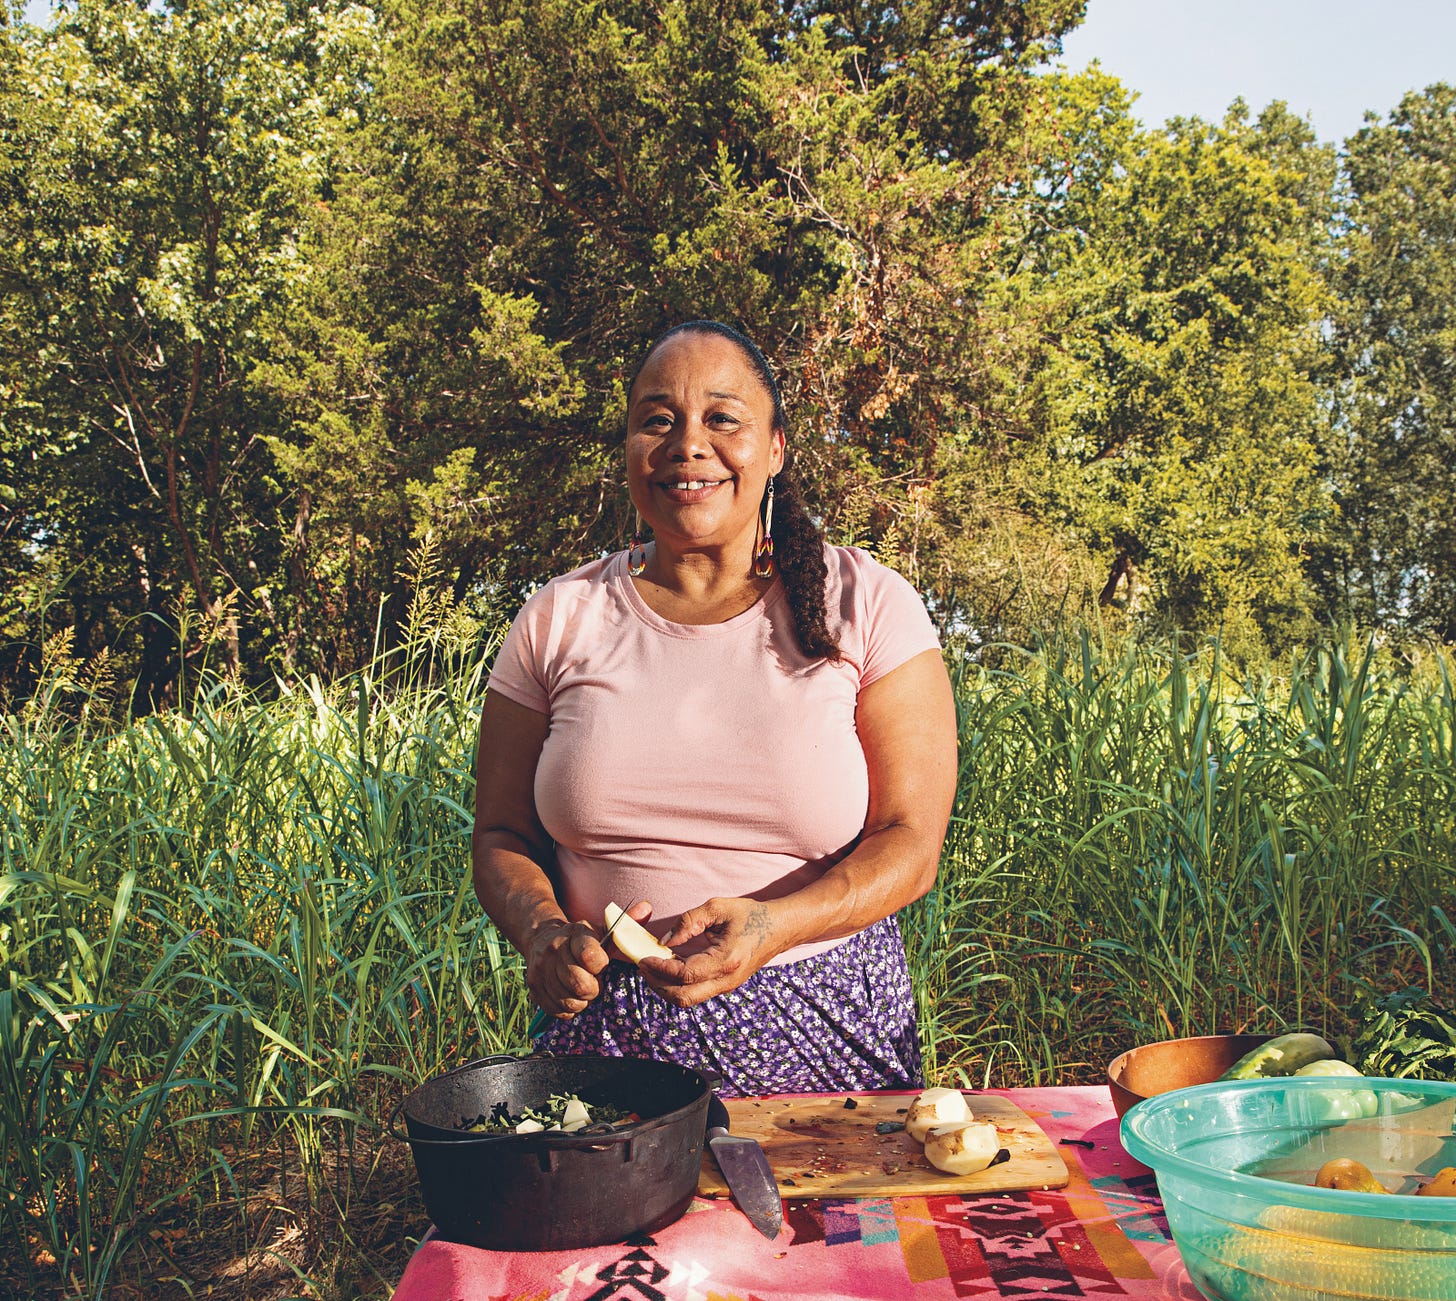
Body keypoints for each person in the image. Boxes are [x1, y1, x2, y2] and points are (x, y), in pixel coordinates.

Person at [471, 320, 958, 1096]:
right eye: (657, 420)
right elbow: (499, 835)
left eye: (722, 419)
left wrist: (773, 929)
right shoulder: (559, 616)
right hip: (603, 1052)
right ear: (629, 446)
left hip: (829, 1043)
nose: (687, 444)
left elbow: (912, 844)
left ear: (775, 449)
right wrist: (541, 932)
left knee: (832, 1221)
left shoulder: (868, 603)